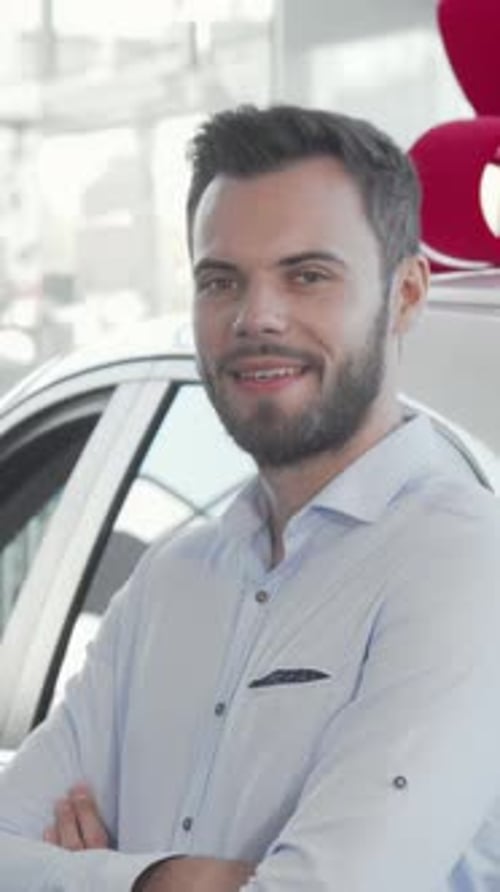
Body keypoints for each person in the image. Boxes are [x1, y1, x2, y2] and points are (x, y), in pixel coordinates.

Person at [1, 104, 500, 892]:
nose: (255, 317)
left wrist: (95, 876)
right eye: (220, 280)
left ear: (405, 296)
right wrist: (173, 879)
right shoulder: (171, 580)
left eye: (308, 275)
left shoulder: (468, 563)